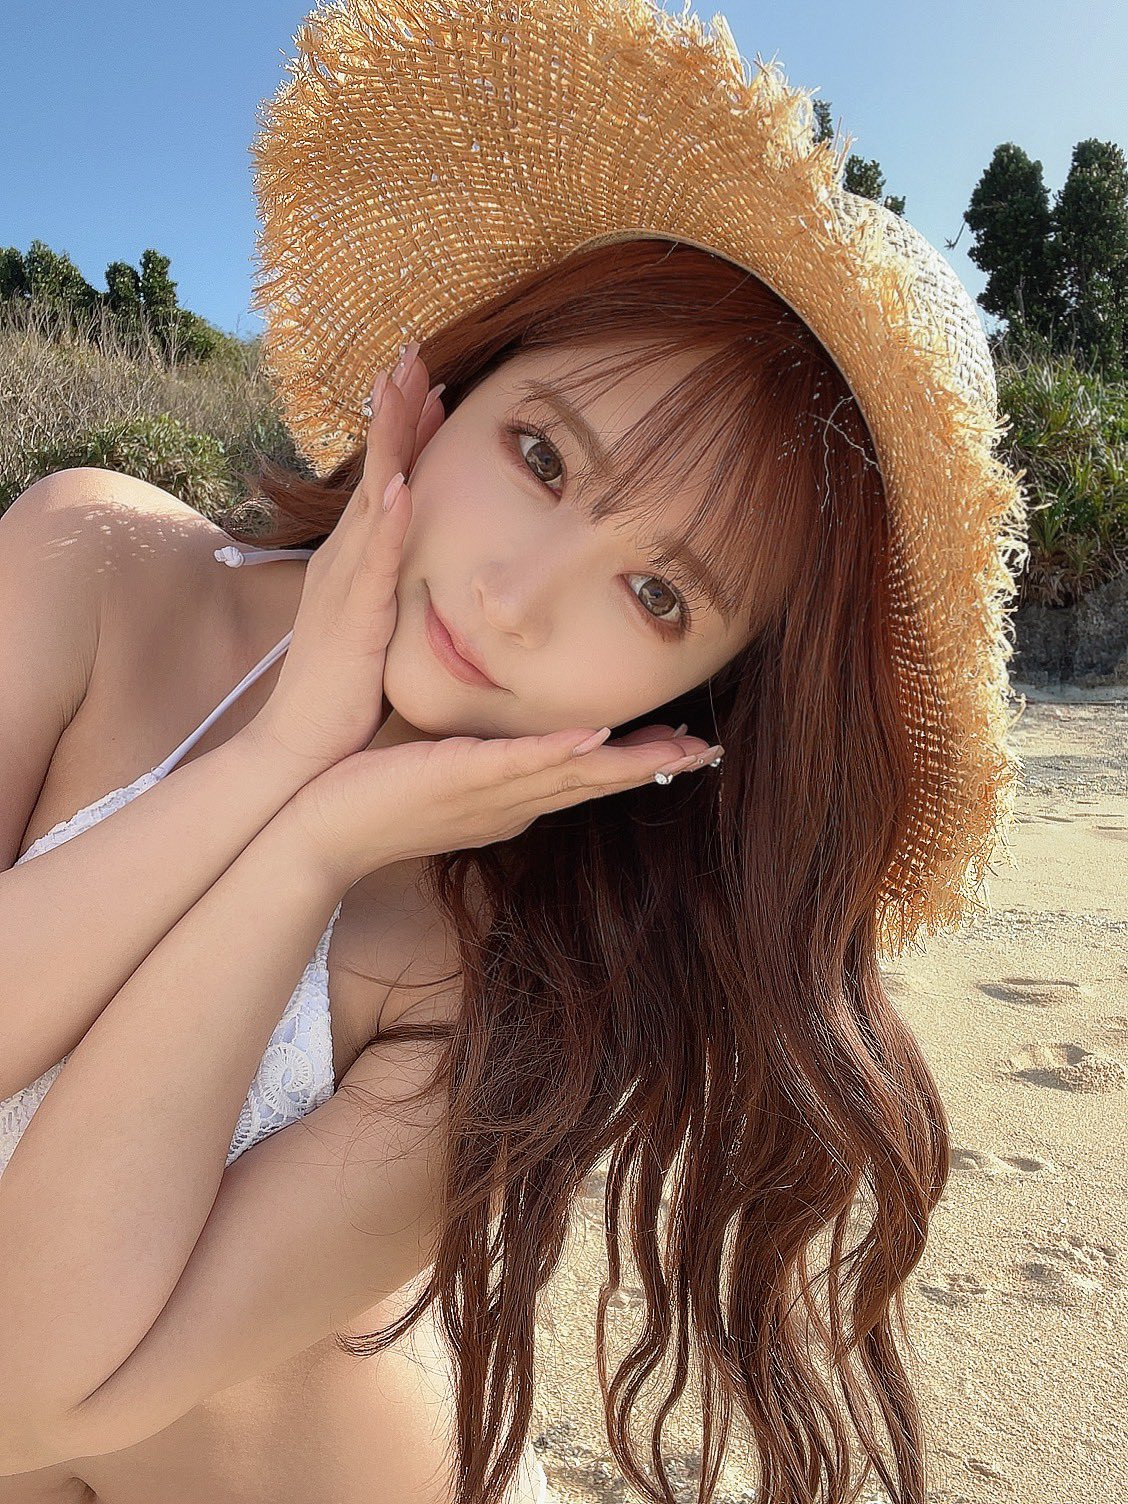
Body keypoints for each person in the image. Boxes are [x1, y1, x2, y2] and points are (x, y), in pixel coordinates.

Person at [0, 1, 1029, 1501]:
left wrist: (311, 849)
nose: (515, 599)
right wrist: (277, 760)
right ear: (462, 383)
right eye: (541, 456)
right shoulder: (98, 572)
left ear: (710, 691)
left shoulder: (526, 976)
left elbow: (31, 1389)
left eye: (658, 594)